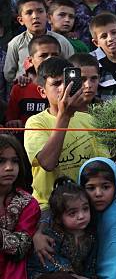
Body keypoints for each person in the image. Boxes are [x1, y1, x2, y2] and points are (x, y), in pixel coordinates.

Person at [24, 57, 109, 211]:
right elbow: (48, 163)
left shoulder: (89, 120)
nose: (64, 88)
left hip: (85, 205)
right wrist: (64, 116)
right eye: (56, 84)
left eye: (68, 82)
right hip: (48, 206)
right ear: (42, 92)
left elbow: (103, 165)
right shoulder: (36, 122)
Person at [27, 178, 100, 279]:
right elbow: (47, 262)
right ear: (59, 218)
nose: (81, 216)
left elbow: (90, 265)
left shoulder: (91, 236)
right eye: (72, 213)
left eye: (85, 209)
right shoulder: (50, 234)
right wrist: (73, 276)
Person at [0, 135, 40, 279]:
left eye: (15, 161)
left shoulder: (27, 203)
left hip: (11, 275)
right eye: (1, 161)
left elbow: (20, 246)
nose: (9, 168)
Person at [4, 0, 74, 86]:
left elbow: (72, 68)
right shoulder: (15, 43)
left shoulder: (62, 42)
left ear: (47, 16)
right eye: (29, 13)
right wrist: (20, 78)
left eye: (40, 11)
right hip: (27, 91)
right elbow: (9, 74)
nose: (35, 16)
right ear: (20, 20)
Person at [5, 35, 58, 127]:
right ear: (30, 60)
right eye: (43, 55)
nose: (50, 59)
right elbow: (10, 121)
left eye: (54, 55)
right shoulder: (20, 88)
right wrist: (15, 123)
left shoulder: (65, 87)